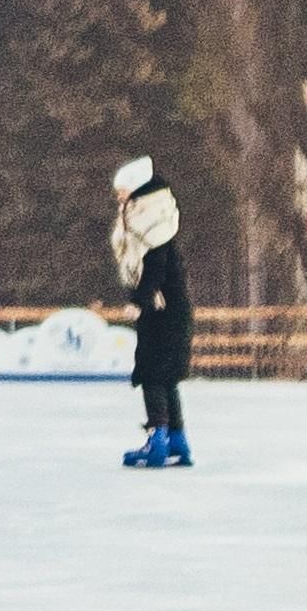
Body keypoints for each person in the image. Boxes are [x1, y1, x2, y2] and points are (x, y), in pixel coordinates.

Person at [113, 156, 193, 469]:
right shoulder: (155, 225)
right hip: (170, 309)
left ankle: (158, 440)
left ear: (136, 192)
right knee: (167, 377)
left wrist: (140, 301)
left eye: (122, 192)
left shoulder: (152, 229)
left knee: (153, 375)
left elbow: (155, 269)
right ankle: (178, 439)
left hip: (162, 311)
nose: (119, 198)